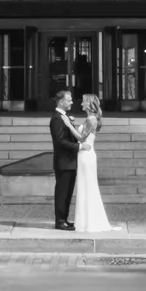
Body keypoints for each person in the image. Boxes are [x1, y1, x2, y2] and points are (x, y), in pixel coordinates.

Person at [69, 93, 116, 232]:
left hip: (87, 154)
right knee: (84, 186)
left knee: (88, 186)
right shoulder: (89, 119)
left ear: (89, 104)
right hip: (83, 154)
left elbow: (82, 138)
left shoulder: (91, 119)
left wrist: (68, 125)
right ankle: (84, 221)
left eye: (83, 101)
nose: (81, 103)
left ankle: (90, 221)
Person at [49, 90, 81, 230]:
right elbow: (60, 141)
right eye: (69, 100)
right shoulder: (57, 118)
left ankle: (65, 219)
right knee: (62, 193)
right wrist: (79, 146)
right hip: (64, 162)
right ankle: (60, 221)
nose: (72, 102)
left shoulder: (64, 116)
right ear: (61, 102)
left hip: (69, 162)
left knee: (68, 192)